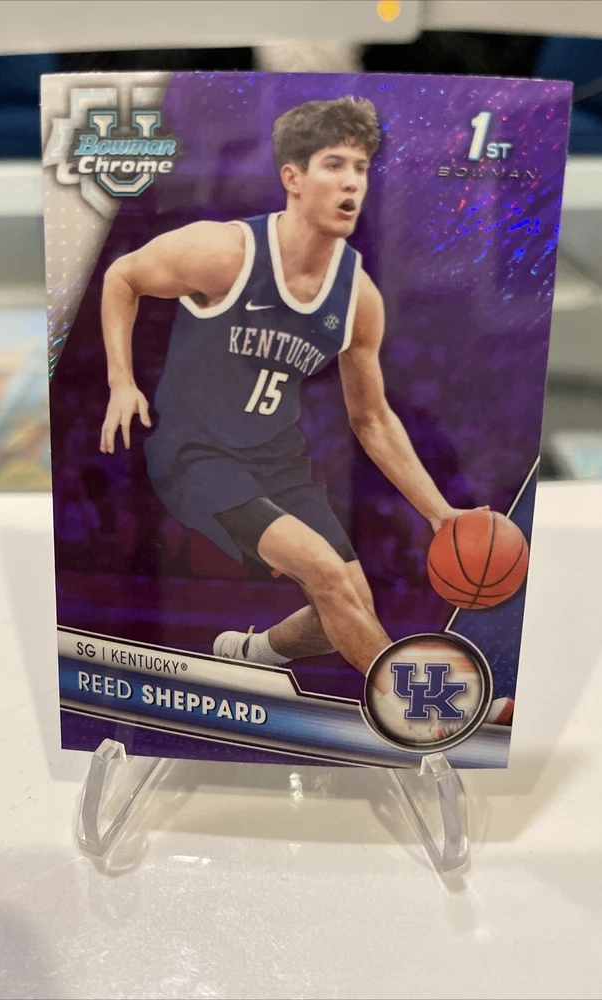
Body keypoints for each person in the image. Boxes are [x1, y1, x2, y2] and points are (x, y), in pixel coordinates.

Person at [99, 96, 485, 696]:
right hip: (196, 456)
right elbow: (122, 276)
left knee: (346, 607)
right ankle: (414, 702)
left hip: (278, 462)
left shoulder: (358, 297)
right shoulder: (225, 253)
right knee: (328, 573)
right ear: (293, 178)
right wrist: (121, 381)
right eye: (334, 165)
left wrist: (441, 514)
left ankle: (251, 654)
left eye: (360, 168)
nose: (352, 182)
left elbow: (372, 419)